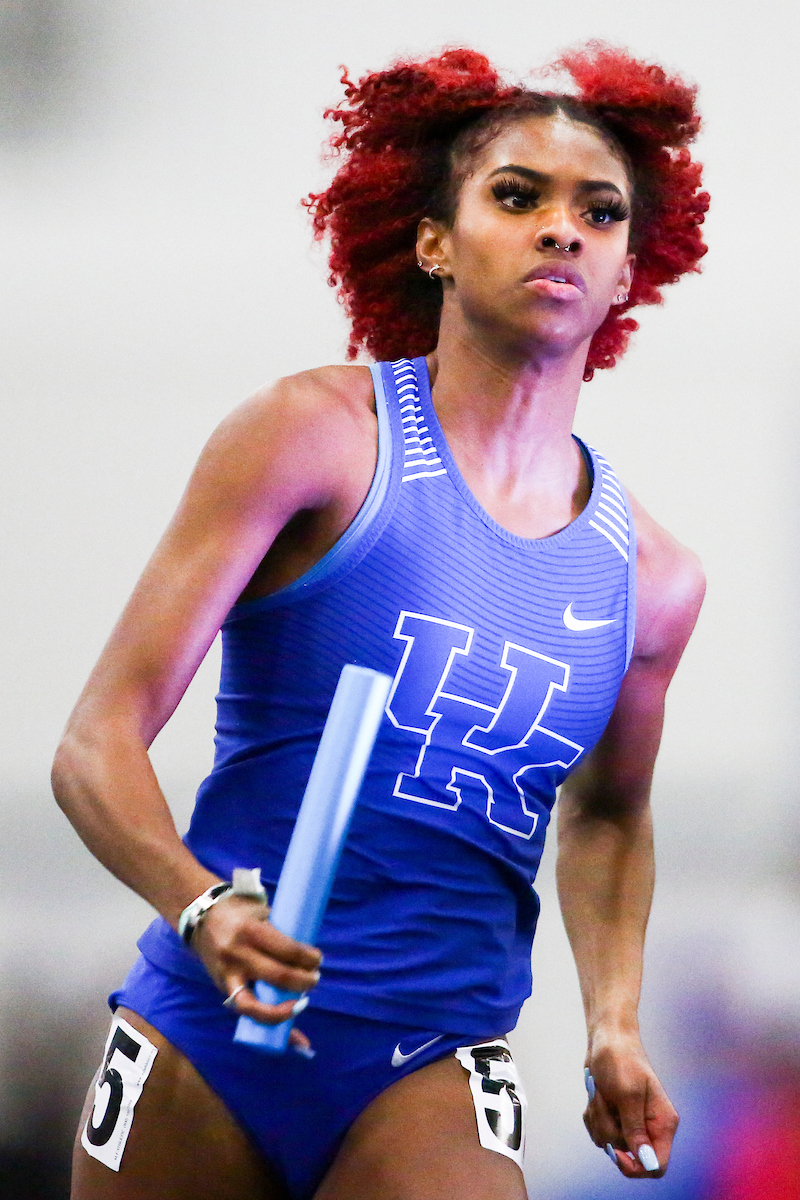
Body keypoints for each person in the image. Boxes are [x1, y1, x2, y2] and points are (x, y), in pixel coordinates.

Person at [52, 42, 709, 1200]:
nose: (560, 229)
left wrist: (613, 1019)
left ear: (623, 273)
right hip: (204, 1031)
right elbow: (94, 743)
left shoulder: (650, 578)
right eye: (515, 196)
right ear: (433, 242)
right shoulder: (312, 437)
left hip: (431, 1060)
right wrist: (199, 907)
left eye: (597, 213)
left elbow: (607, 815)